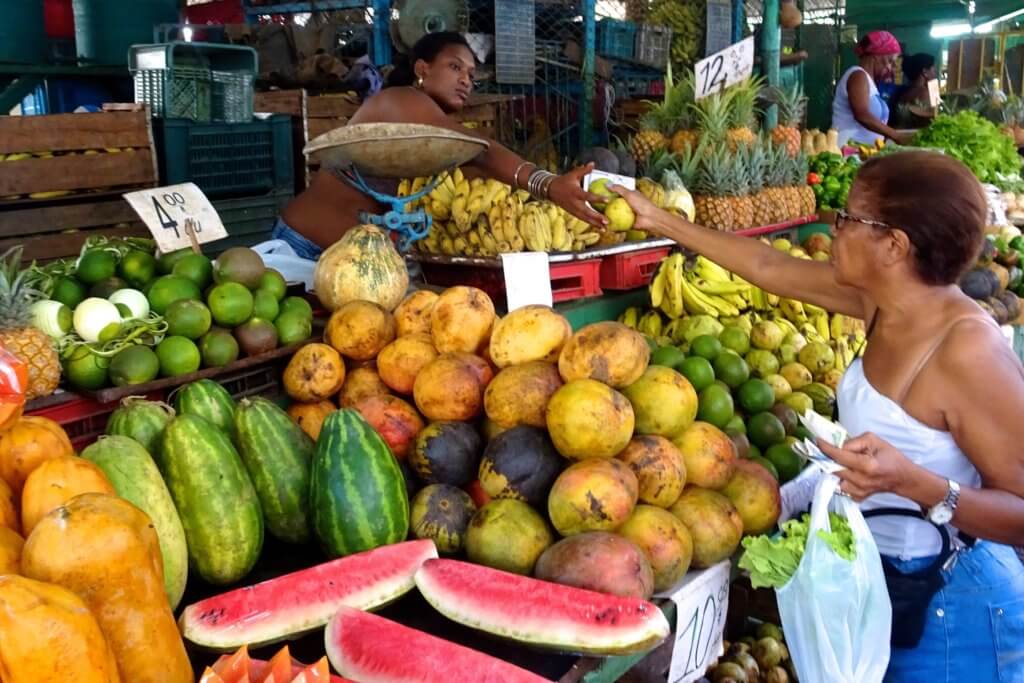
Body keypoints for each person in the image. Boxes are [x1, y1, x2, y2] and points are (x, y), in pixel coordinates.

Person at [610, 150, 1024, 681]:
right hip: (885, 582)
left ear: (894, 246)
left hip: (954, 607)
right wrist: (659, 219)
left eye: (851, 218)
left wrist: (916, 483)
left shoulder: (966, 350)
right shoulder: (883, 302)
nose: (835, 228)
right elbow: (768, 267)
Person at [274, 32, 605, 259]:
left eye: (472, 75)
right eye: (455, 66)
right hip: (305, 247)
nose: (466, 80)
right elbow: (481, 149)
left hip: (352, 254)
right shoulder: (398, 100)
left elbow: (476, 169)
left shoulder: (431, 136)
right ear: (422, 69)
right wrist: (547, 184)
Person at [832, 31, 912, 146]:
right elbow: (862, 115)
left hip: (863, 151)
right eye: (890, 62)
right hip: (848, 151)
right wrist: (896, 136)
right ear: (877, 57)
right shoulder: (858, 75)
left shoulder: (870, 82)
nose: (890, 68)